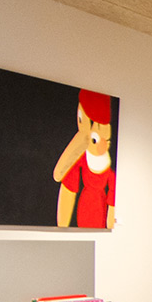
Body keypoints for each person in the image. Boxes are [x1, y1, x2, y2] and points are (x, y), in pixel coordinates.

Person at [52, 88, 116, 229]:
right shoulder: (83, 160)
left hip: (99, 210)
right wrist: (62, 226)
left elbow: (112, 198)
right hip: (84, 209)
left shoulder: (109, 171)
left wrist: (110, 225)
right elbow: (69, 186)